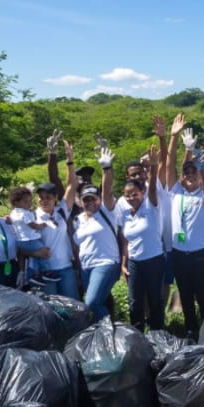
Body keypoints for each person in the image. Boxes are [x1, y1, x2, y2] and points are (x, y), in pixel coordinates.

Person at [160, 128, 204, 336]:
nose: (190, 175)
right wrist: (172, 137)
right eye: (186, 173)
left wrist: (202, 168)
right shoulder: (176, 192)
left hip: (200, 254)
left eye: (194, 172)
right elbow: (168, 166)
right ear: (182, 178)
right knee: (185, 294)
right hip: (179, 254)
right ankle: (191, 328)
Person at [65, 138, 124, 322]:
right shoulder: (78, 219)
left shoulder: (107, 211)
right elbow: (76, 244)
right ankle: (102, 334)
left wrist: (107, 168)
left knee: (91, 302)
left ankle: (111, 334)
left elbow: (106, 190)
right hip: (86, 266)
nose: (90, 202)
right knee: (100, 300)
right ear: (80, 202)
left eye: (93, 198)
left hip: (106, 263)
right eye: (86, 199)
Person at [117, 143, 166, 331]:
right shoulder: (126, 213)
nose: (131, 198)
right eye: (127, 195)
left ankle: (157, 334)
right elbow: (126, 240)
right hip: (135, 263)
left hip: (154, 260)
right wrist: (124, 262)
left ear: (142, 193)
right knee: (135, 302)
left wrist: (153, 166)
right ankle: (137, 334)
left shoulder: (151, 207)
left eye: (135, 194)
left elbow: (153, 187)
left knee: (155, 300)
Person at [27, 180, 79, 299]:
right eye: (41, 197)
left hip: (66, 267)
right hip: (45, 272)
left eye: (48, 197)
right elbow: (22, 246)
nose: (44, 200)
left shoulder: (61, 211)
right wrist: (35, 253)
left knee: (72, 306)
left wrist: (70, 162)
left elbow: (71, 184)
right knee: (51, 310)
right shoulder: (31, 217)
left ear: (55, 197)